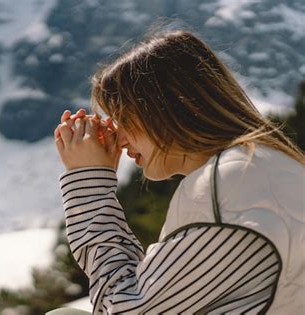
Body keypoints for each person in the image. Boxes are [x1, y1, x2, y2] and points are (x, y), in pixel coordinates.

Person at [50, 29, 305, 314]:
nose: (119, 141)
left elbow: (125, 307)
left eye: (123, 119)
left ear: (164, 108)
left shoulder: (229, 186)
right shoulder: (268, 165)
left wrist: (90, 183)